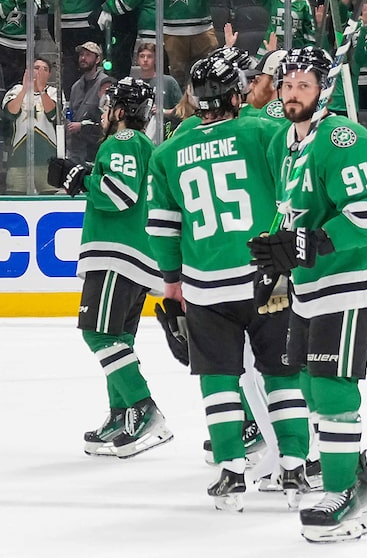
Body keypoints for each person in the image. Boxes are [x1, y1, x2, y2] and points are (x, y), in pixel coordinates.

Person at [146, 51, 310, 512]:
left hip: (204, 287)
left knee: (218, 378)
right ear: (236, 93)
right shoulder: (263, 131)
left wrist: (172, 281)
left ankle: (231, 471)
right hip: (268, 277)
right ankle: (295, 465)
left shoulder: (168, 151)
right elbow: (296, 177)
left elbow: (161, 225)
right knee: (281, 372)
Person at [250, 46, 367, 542]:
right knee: (312, 384)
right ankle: (353, 482)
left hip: (348, 276)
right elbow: (287, 211)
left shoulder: (342, 135)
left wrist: (309, 243)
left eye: (303, 86)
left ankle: (345, 496)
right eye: (287, 86)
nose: (292, 95)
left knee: (333, 385)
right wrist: (275, 255)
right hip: (309, 282)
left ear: (323, 91)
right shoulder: (282, 144)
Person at [48, 78, 168, 458]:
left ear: (120, 111)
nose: (102, 113)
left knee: (98, 335)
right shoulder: (141, 145)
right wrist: (84, 172)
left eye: (108, 106)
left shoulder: (123, 141)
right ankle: (122, 414)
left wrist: (78, 177)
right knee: (118, 339)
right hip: (135, 256)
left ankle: (143, 407)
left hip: (119, 254)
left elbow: (118, 193)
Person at [3, 58, 60, 194]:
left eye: (44, 69)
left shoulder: (54, 92)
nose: (39, 72)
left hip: (47, 161)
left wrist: (41, 90)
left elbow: (53, 114)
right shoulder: (16, 90)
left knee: (50, 198)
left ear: (49, 75)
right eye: (36, 68)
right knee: (15, 198)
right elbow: (10, 112)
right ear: (27, 71)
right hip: (19, 160)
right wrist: (24, 90)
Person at [247, 0, 315, 57]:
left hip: (295, 50)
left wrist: (309, 49)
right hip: (271, 48)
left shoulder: (302, 2)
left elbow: (309, 29)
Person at [66, 40, 113, 162]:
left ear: (97, 60)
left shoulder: (105, 84)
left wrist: (82, 127)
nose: (83, 58)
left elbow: (109, 122)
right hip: (76, 151)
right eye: (81, 55)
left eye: (88, 55)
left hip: (96, 151)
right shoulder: (76, 87)